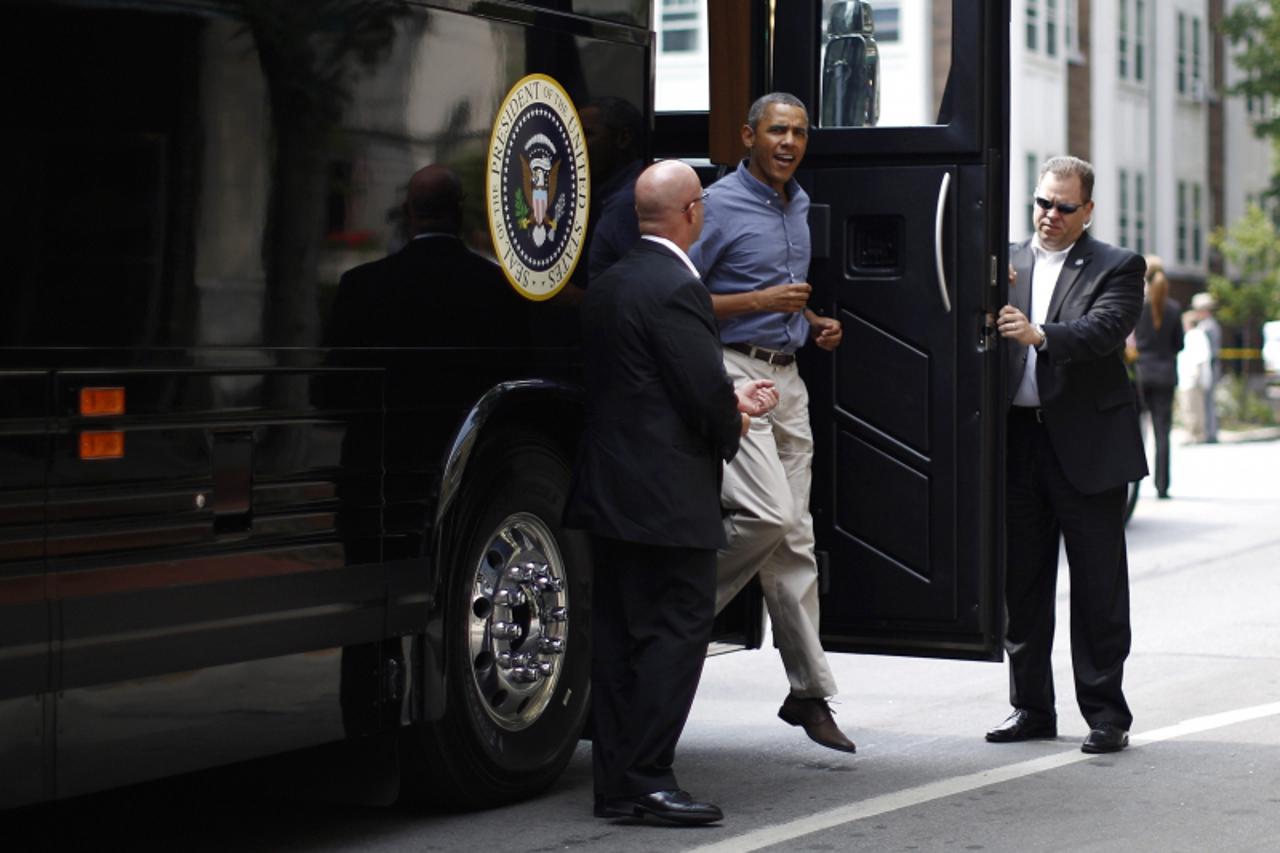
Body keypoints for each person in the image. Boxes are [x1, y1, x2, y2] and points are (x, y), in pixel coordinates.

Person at [564, 160, 779, 826]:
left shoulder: (610, 283)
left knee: (620, 637)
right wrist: (736, 412)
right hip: (668, 494)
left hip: (609, 490)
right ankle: (652, 777)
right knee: (674, 635)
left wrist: (723, 394)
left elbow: (639, 383)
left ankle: (617, 784)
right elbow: (696, 391)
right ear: (692, 212)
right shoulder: (678, 287)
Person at [689, 92, 854, 754]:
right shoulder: (718, 205)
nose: (789, 142)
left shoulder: (799, 202)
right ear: (746, 134)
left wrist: (812, 322)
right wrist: (760, 301)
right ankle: (677, 612)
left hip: (789, 373)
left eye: (799, 132)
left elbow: (783, 295)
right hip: (733, 371)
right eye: (776, 131)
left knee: (799, 538)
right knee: (769, 516)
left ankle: (808, 692)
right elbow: (677, 294)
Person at [991, 155, 1148, 754]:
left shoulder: (1118, 265)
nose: (1048, 216)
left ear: (1087, 211)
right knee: (1021, 585)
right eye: (1041, 203)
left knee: (1097, 588)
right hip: (1018, 441)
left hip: (1089, 448)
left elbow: (1105, 330)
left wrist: (1040, 334)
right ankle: (1030, 707)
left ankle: (1107, 715)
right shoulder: (1003, 261)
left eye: (1062, 206)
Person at [1134, 259, 1184, 498]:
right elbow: (1179, 344)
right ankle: (1162, 486)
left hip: (1142, 373)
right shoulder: (1174, 309)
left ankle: (1132, 485)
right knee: (1162, 433)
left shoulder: (1138, 307)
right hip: (1165, 374)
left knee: (1135, 431)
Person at [1191, 291, 1222, 442]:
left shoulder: (1209, 326)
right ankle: (1208, 431)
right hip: (1206, 366)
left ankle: (1211, 433)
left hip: (1210, 366)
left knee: (1209, 401)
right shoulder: (1206, 326)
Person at [1177, 311, 1212, 443]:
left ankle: (1194, 434)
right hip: (1189, 378)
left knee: (1191, 408)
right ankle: (1196, 434)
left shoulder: (1195, 335)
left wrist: (1196, 377)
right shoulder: (1193, 335)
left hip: (1191, 378)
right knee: (1193, 408)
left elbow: (1200, 358)